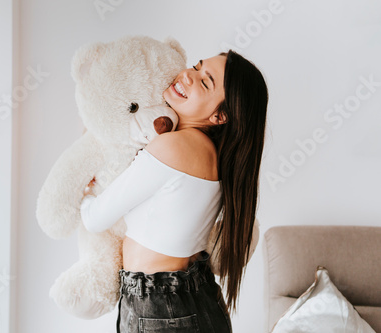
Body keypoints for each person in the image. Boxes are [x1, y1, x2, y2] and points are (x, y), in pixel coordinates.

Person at [80, 49, 268, 333]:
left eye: (205, 82)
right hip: (189, 297)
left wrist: (85, 190)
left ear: (220, 116)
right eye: (196, 66)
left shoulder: (174, 147)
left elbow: (95, 219)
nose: (188, 76)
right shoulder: (211, 153)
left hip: (160, 306)